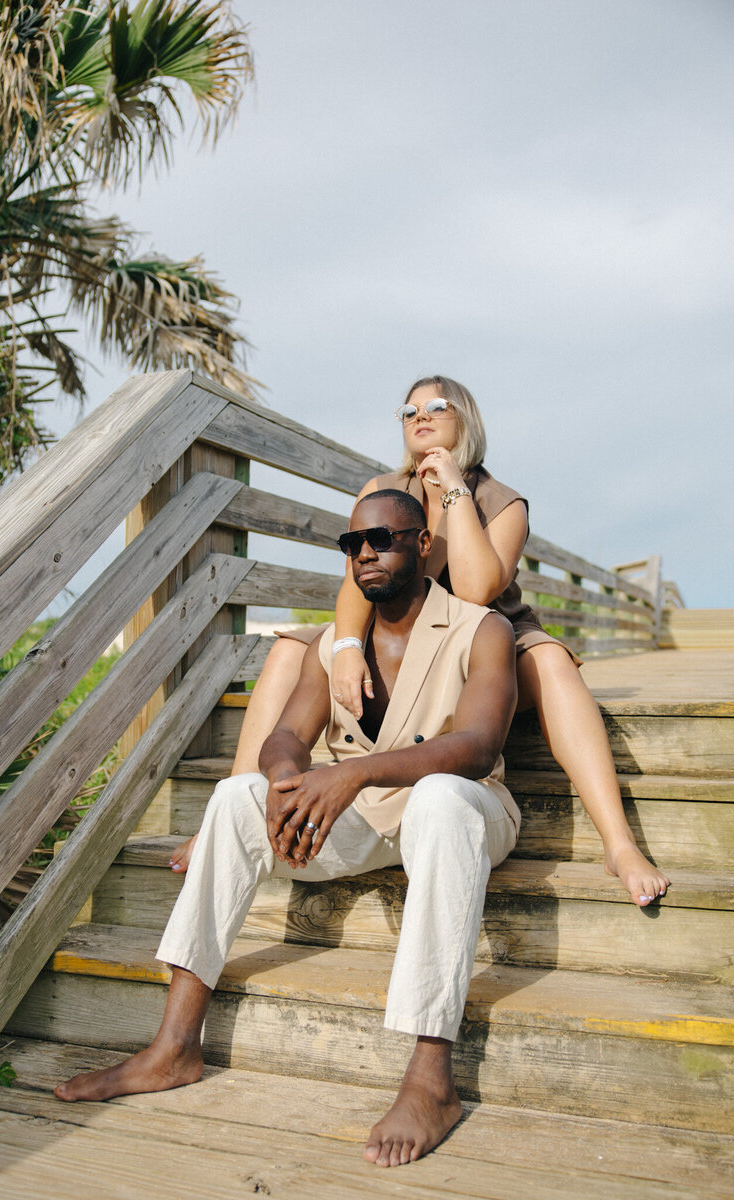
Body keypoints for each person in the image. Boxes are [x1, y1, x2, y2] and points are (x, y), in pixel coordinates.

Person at [56, 489, 521, 1169]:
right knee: (238, 793)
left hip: (462, 810)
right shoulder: (337, 643)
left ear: (424, 545)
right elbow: (285, 736)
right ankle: (176, 1044)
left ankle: (431, 1078)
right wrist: (284, 782)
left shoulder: (482, 629)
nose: (366, 552)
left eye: (385, 538)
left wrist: (353, 774)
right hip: (362, 817)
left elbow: (478, 746)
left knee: (442, 802)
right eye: (353, 543)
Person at [170, 375, 669, 908]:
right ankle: (234, 814)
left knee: (551, 660)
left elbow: (478, 590)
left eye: (436, 407)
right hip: (395, 630)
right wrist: (343, 649)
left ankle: (619, 843)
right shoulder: (383, 489)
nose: (420, 417)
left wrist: (453, 487)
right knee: (291, 649)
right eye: (408, 411)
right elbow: (354, 583)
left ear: (466, 420)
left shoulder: (503, 502)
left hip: (482, 634)